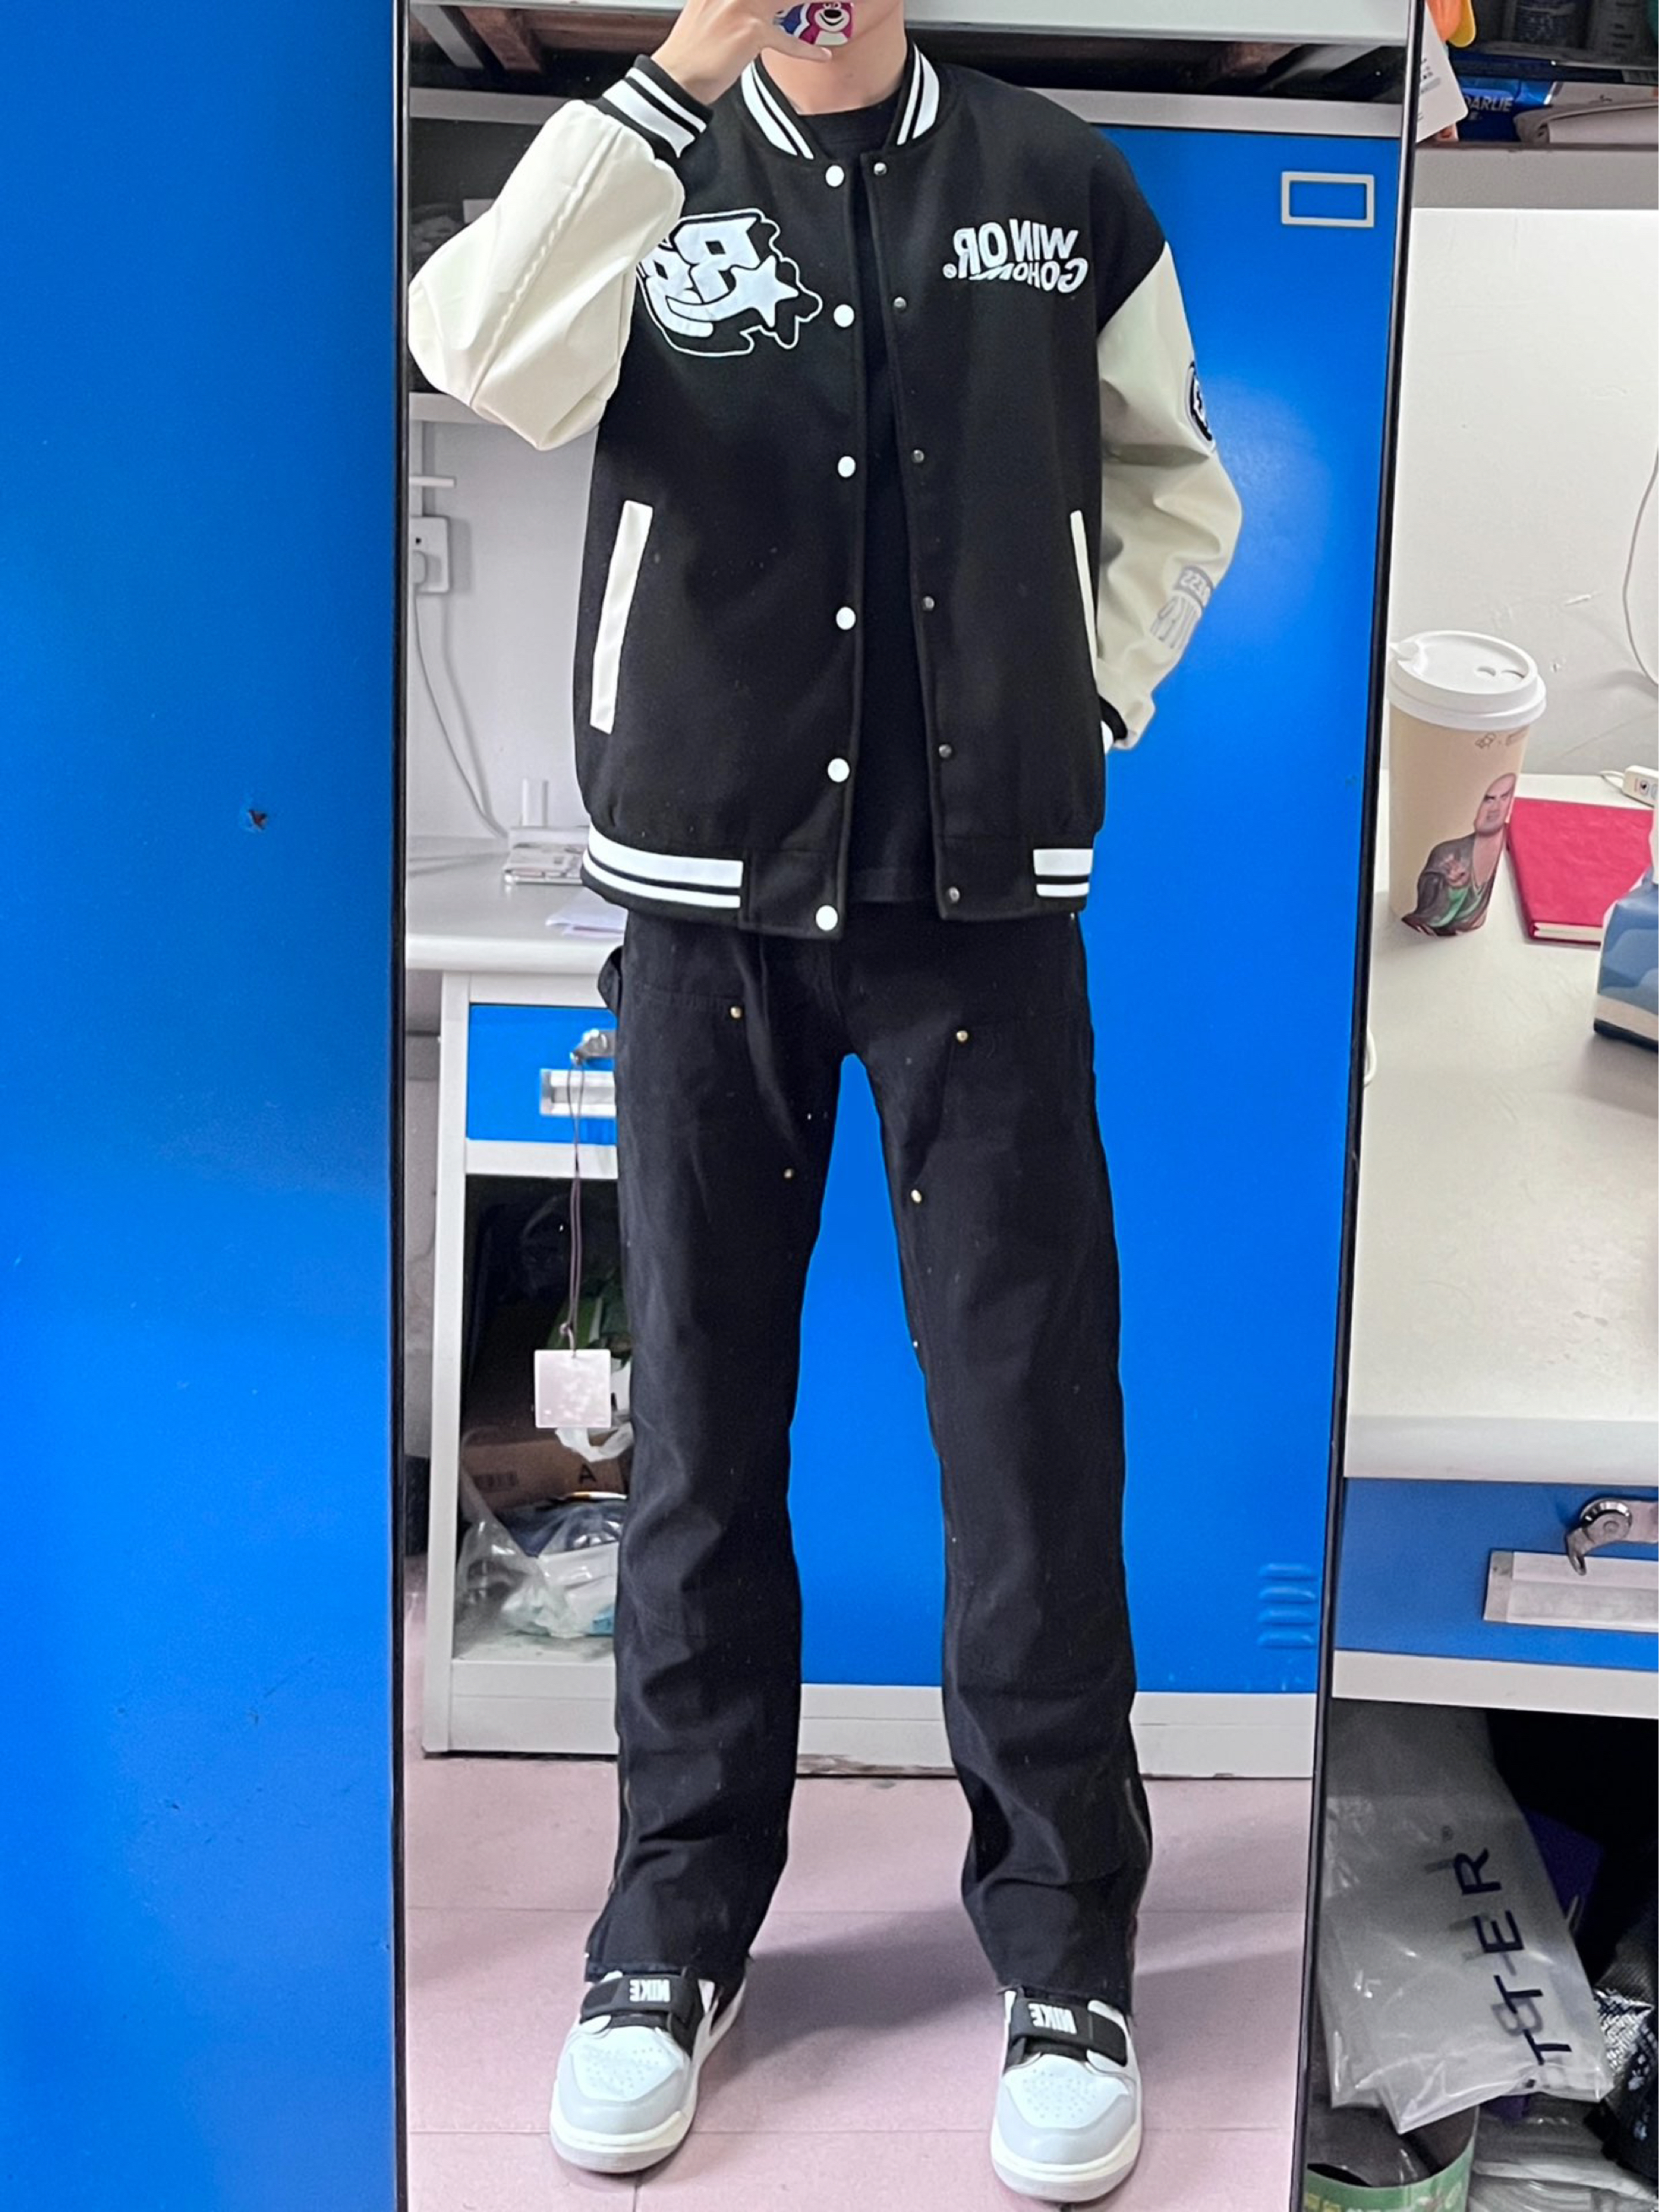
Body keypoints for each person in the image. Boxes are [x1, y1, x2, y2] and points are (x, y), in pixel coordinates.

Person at [410, 0, 1241, 2193]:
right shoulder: (651, 160)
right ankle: (672, 1927)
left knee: (1031, 1437)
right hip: (702, 903)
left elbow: (1181, 489)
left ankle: (1065, 1947)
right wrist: (670, 80)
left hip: (982, 918)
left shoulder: (1058, 190)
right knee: (697, 1426)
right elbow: (475, 350)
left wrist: (1083, 700)